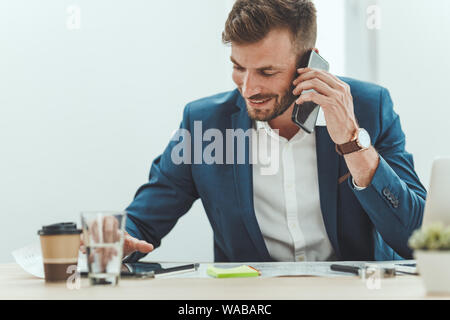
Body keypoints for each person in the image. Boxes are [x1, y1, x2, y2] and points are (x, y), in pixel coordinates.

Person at [114, 0, 427, 263]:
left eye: (267, 72)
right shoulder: (204, 124)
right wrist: (112, 242)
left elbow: (416, 239)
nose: (249, 89)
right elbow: (141, 223)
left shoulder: (368, 107)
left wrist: (351, 142)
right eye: (239, 67)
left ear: (309, 62)